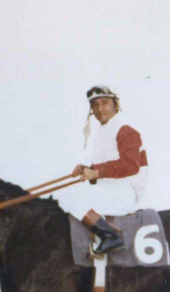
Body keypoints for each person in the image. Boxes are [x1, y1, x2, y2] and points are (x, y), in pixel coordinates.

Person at [56, 85, 148, 255]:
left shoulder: (126, 130)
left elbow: (130, 166)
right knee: (66, 192)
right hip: (109, 190)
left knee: (67, 196)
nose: (100, 108)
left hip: (125, 193)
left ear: (116, 105)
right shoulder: (101, 132)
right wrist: (87, 170)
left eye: (105, 103)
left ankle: (110, 236)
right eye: (95, 105)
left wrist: (95, 171)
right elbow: (106, 170)